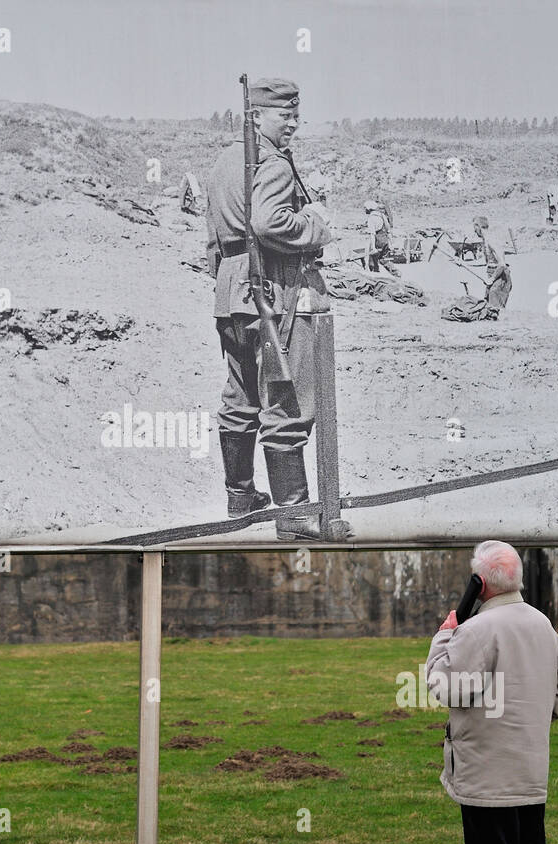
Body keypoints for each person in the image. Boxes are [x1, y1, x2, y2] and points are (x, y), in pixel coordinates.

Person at [205, 76, 339, 541]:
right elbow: (268, 221)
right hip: (275, 294)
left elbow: (213, 241)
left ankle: (240, 497)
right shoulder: (274, 163)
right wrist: (316, 226)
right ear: (256, 117)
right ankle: (295, 516)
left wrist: (230, 286)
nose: (294, 125)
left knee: (241, 398)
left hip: (231, 299)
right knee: (288, 401)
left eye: (297, 116)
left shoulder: (223, 163)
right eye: (286, 116)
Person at [426, 540, 558, 844]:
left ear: (480, 584)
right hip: (531, 778)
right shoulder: (544, 625)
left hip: (486, 783)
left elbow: (443, 686)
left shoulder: (475, 630)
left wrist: (445, 634)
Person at [474, 216, 511, 320]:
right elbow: (489, 262)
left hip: (500, 278)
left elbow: (502, 264)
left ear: (479, 226)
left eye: (475, 227)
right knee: (488, 308)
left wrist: (491, 279)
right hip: (493, 276)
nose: (474, 231)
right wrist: (462, 263)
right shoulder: (485, 240)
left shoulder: (491, 240)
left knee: (495, 313)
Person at [363, 200, 398, 275]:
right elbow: (388, 230)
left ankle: (375, 278)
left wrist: (373, 247)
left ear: (369, 208)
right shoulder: (382, 215)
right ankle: (395, 273)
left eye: (365, 208)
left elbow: (372, 234)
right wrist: (391, 243)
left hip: (378, 241)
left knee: (372, 262)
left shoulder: (371, 218)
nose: (364, 210)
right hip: (385, 241)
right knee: (383, 260)